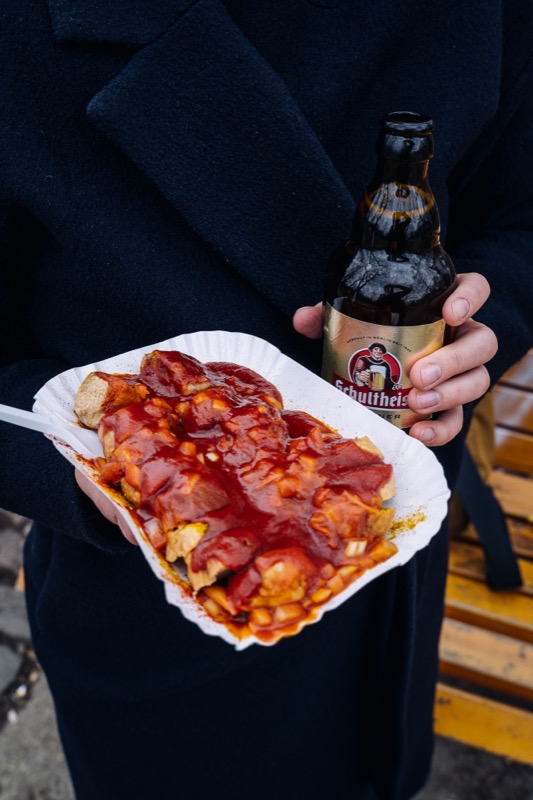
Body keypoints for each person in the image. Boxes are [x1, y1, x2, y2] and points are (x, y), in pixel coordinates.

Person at [0, 2, 531, 799]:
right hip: (151, 621)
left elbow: (516, 213)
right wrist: (96, 464)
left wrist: (478, 326)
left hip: (390, 555)